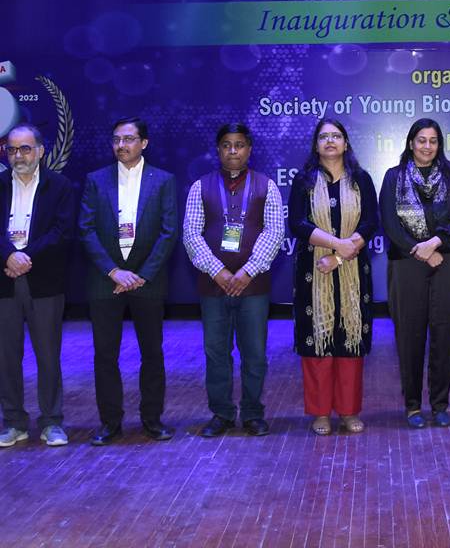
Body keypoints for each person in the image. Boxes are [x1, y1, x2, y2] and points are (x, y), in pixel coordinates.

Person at [79, 117, 178, 445]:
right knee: (105, 355)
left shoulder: (163, 180)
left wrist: (142, 275)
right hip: (105, 280)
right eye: (117, 139)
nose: (121, 145)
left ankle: (152, 419)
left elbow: (168, 233)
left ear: (144, 143)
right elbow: (86, 230)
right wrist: (114, 271)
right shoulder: (96, 180)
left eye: (129, 139)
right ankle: (110, 423)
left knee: (152, 353)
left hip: (147, 281)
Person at [183, 123, 283, 438]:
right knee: (216, 353)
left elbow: (274, 232)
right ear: (218, 150)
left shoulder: (267, 186)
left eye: (239, 145)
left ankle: (253, 413)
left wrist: (247, 271)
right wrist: (218, 271)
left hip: (253, 286)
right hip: (213, 286)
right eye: (226, 145)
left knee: (254, 354)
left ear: (249, 149)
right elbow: (191, 234)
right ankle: (222, 414)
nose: (233, 151)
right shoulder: (200, 187)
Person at [288, 120, 378, 435]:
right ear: (316, 145)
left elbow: (371, 222)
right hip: (314, 271)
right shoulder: (304, 180)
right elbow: (297, 223)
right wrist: (336, 244)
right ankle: (321, 413)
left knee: (350, 339)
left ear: (345, 143)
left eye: (336, 136)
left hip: (352, 268)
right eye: (324, 137)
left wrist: (340, 254)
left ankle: (349, 411)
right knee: (318, 340)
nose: (330, 141)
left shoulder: (361, 179)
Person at [380, 118, 450, 428]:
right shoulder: (394, 177)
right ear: (411, 143)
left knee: (446, 334)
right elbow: (390, 224)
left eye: (433, 141)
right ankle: (413, 406)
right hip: (407, 263)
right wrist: (420, 250)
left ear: (439, 144)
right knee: (410, 336)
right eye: (421, 140)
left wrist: (434, 244)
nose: (427, 146)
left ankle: (440, 404)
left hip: (446, 262)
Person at [0, 125, 74, 448]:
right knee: (6, 356)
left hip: (44, 281)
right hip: (4, 281)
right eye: (12, 149)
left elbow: (61, 232)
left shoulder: (60, 186)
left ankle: (51, 421)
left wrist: (24, 257)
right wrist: (9, 255)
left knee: (47, 355)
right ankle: (13, 422)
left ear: (41, 151)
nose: (19, 156)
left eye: (26, 148)